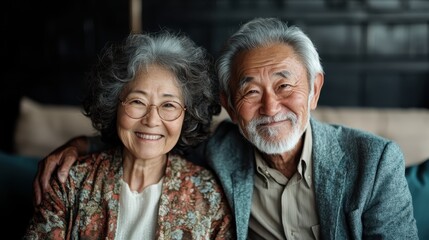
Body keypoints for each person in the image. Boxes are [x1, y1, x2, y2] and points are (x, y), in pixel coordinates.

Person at [33, 18, 418, 239]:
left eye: (285, 86)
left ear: (315, 90)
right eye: (250, 91)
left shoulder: (374, 162)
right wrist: (82, 144)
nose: (270, 107)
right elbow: (153, 140)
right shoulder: (218, 152)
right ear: (231, 106)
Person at [25, 31, 235, 239]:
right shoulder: (69, 182)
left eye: (169, 105)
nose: (152, 120)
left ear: (187, 115)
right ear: (113, 105)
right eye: (137, 101)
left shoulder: (209, 195)